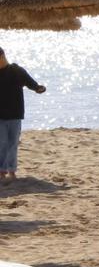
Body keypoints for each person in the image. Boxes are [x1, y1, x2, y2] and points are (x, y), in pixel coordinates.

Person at [0, 47, 48, 182]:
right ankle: (2, 171)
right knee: (2, 143)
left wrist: (38, 88)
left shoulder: (16, 70)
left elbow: (30, 82)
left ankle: (11, 170)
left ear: (3, 56)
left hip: (15, 114)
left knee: (13, 143)